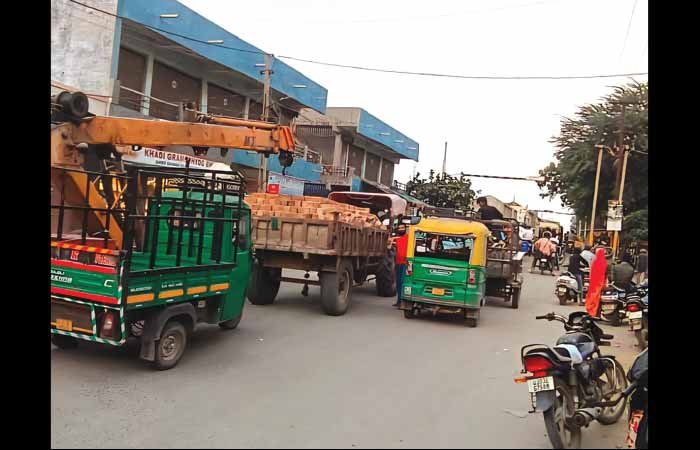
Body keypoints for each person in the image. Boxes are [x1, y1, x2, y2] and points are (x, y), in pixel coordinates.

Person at [585, 247, 608, 318]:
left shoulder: (594, 262)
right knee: (598, 297)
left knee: (592, 295)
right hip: (600, 282)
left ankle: (591, 309)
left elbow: (591, 272)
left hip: (593, 282)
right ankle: (595, 311)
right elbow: (605, 273)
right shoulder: (604, 262)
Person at [392, 223, 409, 307]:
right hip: (398, 263)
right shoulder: (396, 239)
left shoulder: (409, 238)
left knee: (403, 282)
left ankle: (403, 301)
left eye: (402, 228)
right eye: (399, 228)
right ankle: (399, 301)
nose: (401, 229)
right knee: (398, 283)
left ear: (405, 229)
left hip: (405, 264)